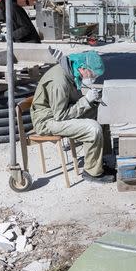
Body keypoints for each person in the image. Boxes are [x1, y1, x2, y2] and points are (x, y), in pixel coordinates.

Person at [30, 50, 113, 183]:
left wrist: (93, 101)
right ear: (83, 68)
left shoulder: (71, 73)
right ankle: (92, 172)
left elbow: (69, 103)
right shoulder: (59, 82)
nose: (94, 77)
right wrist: (86, 100)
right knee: (92, 128)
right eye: (93, 73)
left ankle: (104, 160)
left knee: (100, 114)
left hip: (57, 113)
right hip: (47, 120)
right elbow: (61, 115)